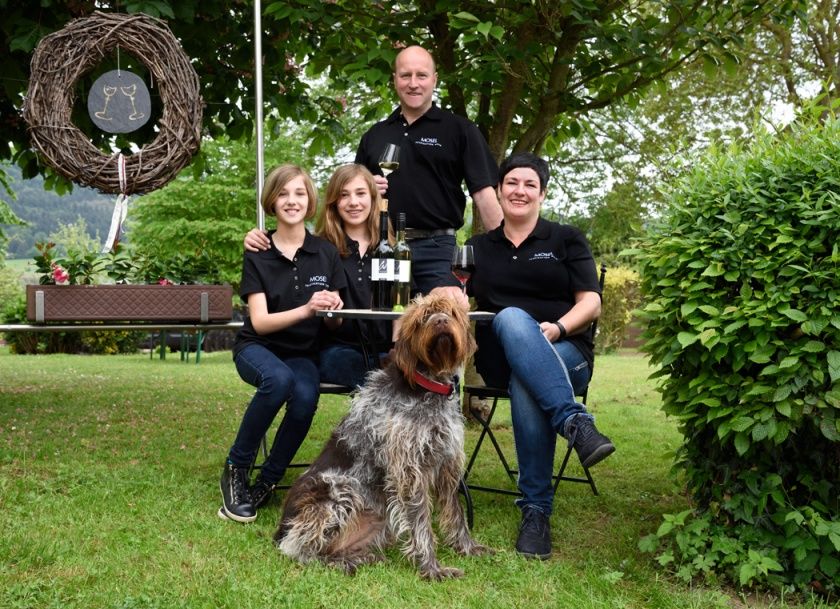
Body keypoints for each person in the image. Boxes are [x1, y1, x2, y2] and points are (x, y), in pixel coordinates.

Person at [466, 152, 615, 560]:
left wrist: (558, 328)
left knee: (526, 379)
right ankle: (575, 422)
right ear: (499, 190)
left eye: (529, 184)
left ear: (542, 194)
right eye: (512, 182)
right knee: (513, 320)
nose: (520, 190)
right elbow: (452, 293)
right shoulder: (478, 247)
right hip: (498, 359)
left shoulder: (565, 238)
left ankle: (535, 511)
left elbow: (591, 303)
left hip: (568, 353)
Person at [221, 164, 346, 523]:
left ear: (310, 202)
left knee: (306, 397)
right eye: (284, 193)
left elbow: (334, 319)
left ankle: (268, 481)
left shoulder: (325, 253)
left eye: (300, 193)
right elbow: (259, 322)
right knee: (278, 381)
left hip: (302, 353)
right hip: (257, 347)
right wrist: (308, 308)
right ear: (271, 202)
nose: (292, 200)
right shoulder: (258, 251)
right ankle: (235, 469)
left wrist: (333, 310)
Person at [354, 44, 503, 296]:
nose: (413, 83)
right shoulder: (375, 135)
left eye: (421, 75)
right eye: (405, 75)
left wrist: (508, 251)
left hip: (438, 248)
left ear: (434, 79)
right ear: (394, 80)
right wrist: (367, 188)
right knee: (386, 321)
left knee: (442, 319)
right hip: (385, 246)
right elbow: (351, 197)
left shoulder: (459, 130)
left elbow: (484, 195)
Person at [245, 164, 393, 388]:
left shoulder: (392, 248)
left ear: (374, 199)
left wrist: (398, 346)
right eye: (344, 195)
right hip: (337, 349)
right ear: (334, 202)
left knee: (419, 369)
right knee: (378, 375)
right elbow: (286, 241)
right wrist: (257, 236)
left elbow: (404, 302)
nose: (353, 202)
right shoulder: (323, 248)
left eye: (361, 193)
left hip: (386, 347)